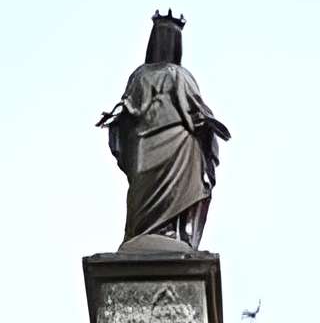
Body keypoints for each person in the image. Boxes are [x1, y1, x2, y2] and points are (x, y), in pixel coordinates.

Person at [99, 13, 230, 249]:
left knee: (178, 190)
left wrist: (206, 123)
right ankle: (143, 233)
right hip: (146, 142)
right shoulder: (141, 75)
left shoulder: (180, 75)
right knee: (143, 191)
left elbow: (196, 109)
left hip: (179, 144)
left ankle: (170, 232)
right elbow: (130, 108)